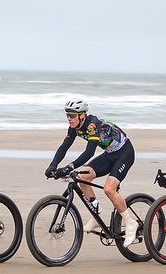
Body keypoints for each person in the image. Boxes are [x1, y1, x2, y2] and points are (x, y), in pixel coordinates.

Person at [45, 98, 139, 247]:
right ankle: (96, 214)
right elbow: (64, 146)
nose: (69, 118)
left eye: (72, 115)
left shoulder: (92, 125)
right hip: (109, 154)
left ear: (82, 115)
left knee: (109, 189)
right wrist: (53, 165)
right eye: (67, 115)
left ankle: (130, 223)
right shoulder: (74, 127)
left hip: (124, 153)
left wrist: (69, 167)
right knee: (82, 177)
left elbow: (89, 152)